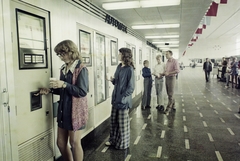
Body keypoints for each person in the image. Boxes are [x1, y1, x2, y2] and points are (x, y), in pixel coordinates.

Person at [39, 40, 88, 161]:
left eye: (62, 54)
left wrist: (64, 84)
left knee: (75, 143)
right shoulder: (64, 69)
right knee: (60, 143)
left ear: (71, 52)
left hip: (75, 111)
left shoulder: (81, 68)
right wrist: (49, 90)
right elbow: (63, 90)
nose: (61, 57)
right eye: (59, 55)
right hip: (64, 110)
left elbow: (82, 91)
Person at [105, 47, 135, 149]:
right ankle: (113, 140)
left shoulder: (129, 69)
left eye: (119, 54)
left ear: (124, 55)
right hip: (115, 99)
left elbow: (131, 88)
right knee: (114, 121)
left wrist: (122, 98)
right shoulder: (119, 67)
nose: (118, 55)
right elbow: (116, 82)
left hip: (122, 101)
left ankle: (123, 143)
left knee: (123, 124)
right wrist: (111, 79)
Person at [163, 50, 179, 114]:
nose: (165, 55)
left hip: (172, 78)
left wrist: (169, 73)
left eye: (167, 54)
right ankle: (173, 105)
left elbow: (177, 70)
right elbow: (166, 71)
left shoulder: (174, 61)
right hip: (167, 78)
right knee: (169, 93)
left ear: (170, 54)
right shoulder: (167, 62)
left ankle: (168, 108)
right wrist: (163, 73)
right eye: (165, 54)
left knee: (170, 93)